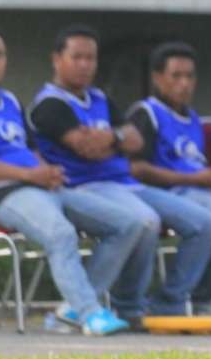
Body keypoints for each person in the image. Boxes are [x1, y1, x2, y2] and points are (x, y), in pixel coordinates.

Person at [0, 25, 129, 336]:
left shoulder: (11, 102)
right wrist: (29, 175)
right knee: (61, 233)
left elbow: (30, 151)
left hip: (39, 187)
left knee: (128, 224)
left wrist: (46, 172)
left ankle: (72, 310)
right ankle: (91, 314)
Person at [27, 25, 161, 327]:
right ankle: (81, 305)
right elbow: (86, 148)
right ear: (57, 59)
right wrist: (116, 140)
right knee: (144, 221)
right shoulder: (50, 105)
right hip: (81, 187)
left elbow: (136, 140)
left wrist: (109, 137)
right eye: (77, 57)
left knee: (198, 220)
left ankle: (128, 308)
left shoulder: (100, 98)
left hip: (123, 183)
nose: (85, 65)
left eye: (91, 58)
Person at [126, 42, 211, 316]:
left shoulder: (193, 118)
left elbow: (198, 166)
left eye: (190, 76)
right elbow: (135, 169)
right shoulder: (145, 113)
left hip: (201, 192)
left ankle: (199, 299)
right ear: (158, 78)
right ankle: (169, 301)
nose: (184, 84)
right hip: (165, 193)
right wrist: (197, 178)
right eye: (176, 76)